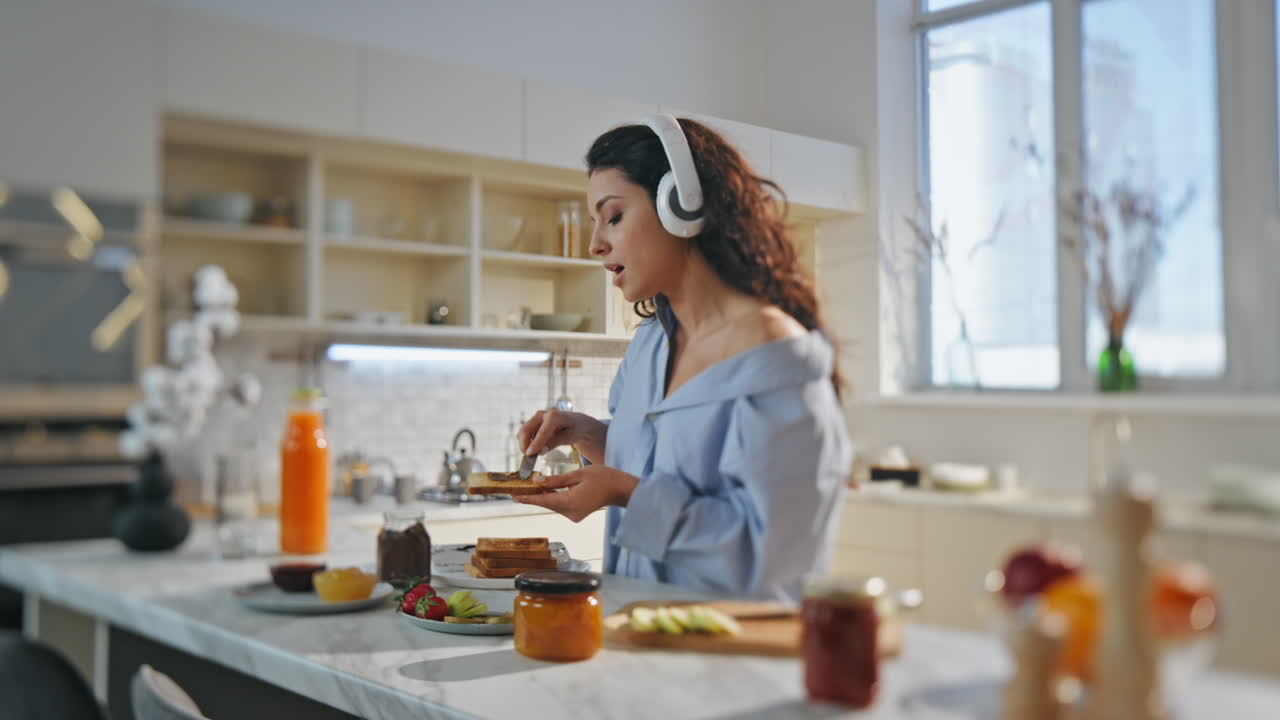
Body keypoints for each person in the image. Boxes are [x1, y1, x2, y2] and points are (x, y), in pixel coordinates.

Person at [516, 115, 851, 603]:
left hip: (726, 653)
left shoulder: (775, 360)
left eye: (613, 216)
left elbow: (772, 555)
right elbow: (664, 466)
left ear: (680, 205)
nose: (595, 244)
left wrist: (624, 493)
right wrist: (589, 435)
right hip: (636, 634)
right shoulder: (651, 342)